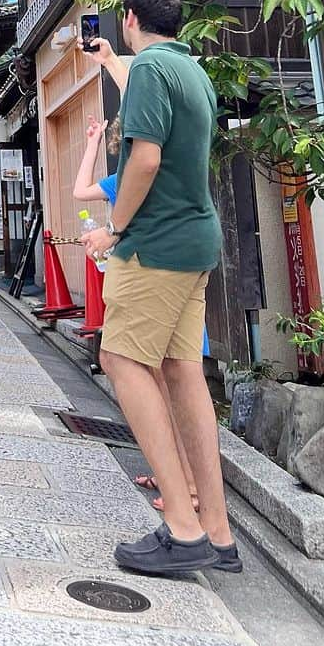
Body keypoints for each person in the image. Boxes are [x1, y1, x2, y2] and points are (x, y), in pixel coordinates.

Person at [81, 0, 241, 575]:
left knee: (122, 359)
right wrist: (114, 63)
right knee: (182, 373)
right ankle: (218, 531)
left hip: (155, 244)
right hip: (196, 241)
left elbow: (144, 156)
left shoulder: (149, 70)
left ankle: (181, 523)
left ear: (128, 18)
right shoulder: (188, 70)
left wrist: (116, 227)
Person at [73, 109, 199, 513]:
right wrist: (91, 140)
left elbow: (94, 201)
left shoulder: (146, 177)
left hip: (158, 282)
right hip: (165, 279)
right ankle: (174, 479)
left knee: (167, 384)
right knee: (159, 383)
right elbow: (81, 191)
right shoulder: (131, 179)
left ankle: (189, 490)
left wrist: (108, 235)